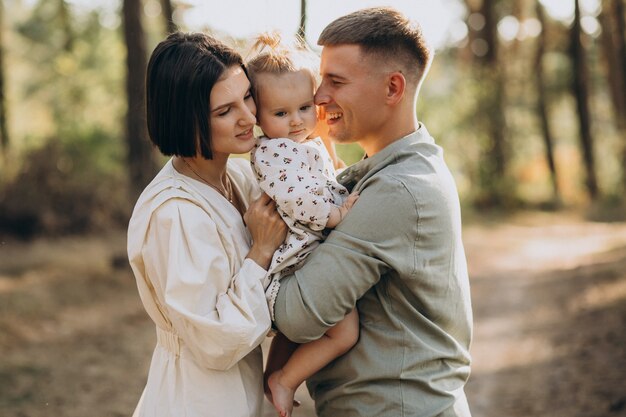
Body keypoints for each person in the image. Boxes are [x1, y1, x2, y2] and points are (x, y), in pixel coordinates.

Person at [271, 7, 474, 417]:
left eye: (336, 81)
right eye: (320, 79)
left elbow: (297, 314)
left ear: (393, 88)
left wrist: (258, 254)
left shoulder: (398, 189)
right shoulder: (396, 170)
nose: (318, 96)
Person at [127, 32, 288, 417]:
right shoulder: (174, 214)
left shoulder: (239, 177)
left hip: (239, 389)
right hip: (197, 399)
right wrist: (261, 252)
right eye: (224, 111)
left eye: (247, 96)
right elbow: (215, 341)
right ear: (187, 119)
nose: (249, 117)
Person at [246, 33, 359, 417]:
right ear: (258, 118)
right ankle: (285, 379)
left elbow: (317, 179)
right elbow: (299, 199)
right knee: (345, 333)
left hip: (303, 257)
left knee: (307, 333)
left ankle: (274, 371)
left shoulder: (300, 144)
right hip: (297, 260)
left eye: (304, 107)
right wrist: (334, 215)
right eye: (280, 114)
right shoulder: (274, 152)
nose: (296, 121)